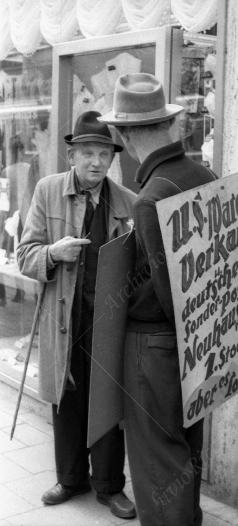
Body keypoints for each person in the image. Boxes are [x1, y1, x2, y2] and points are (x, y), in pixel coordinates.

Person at [99, 73, 217, 526]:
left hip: (158, 348)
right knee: (186, 451)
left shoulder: (150, 198)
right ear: (166, 123)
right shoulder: (202, 174)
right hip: (204, 341)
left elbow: (171, 295)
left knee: (156, 463)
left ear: (122, 135)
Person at [17, 111, 136, 520]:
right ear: (71, 156)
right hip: (64, 318)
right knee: (66, 399)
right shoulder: (48, 191)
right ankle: (70, 479)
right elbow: (24, 255)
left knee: (106, 400)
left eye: (104, 154)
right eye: (87, 153)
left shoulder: (127, 202)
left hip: (108, 319)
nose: (96, 162)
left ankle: (109, 485)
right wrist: (53, 253)